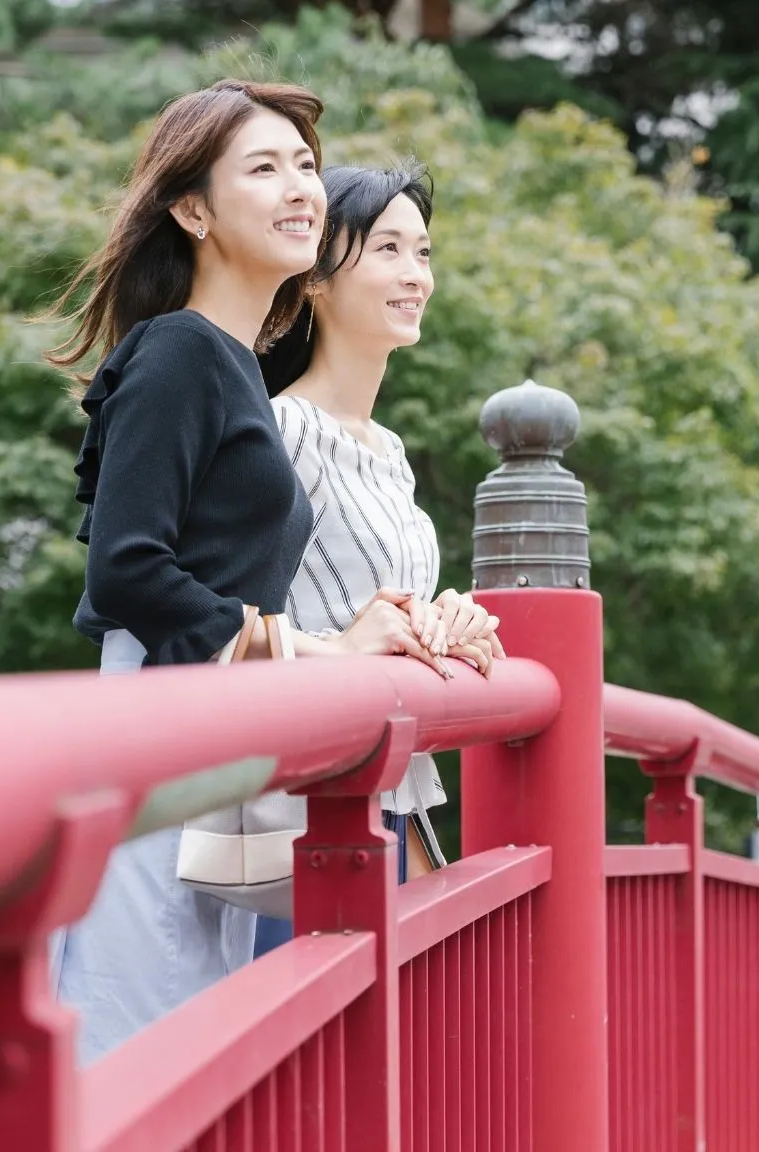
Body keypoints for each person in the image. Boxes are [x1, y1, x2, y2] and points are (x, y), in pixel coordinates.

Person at [49, 80, 448, 1068]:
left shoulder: (228, 363)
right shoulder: (178, 352)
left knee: (176, 1042)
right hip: (157, 729)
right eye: (263, 169)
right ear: (193, 211)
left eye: (305, 165)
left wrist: (344, 640)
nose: (300, 187)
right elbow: (128, 570)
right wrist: (317, 651)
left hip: (211, 744)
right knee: (127, 1045)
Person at [251, 163, 506, 957]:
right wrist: (345, 645)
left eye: (422, 253)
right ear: (315, 278)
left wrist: (445, 621)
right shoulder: (283, 430)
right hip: (307, 806)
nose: (415, 274)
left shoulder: (388, 450)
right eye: (387, 249)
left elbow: (378, 605)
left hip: (390, 787)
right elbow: (243, 614)